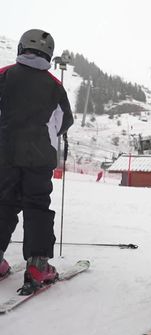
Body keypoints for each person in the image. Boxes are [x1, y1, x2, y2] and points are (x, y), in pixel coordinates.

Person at [0, 29, 73, 292]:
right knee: (37, 207)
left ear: (21, 48)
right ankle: (38, 267)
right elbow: (65, 120)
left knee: (4, 203)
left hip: (5, 154)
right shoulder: (54, 85)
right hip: (40, 157)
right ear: (49, 55)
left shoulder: (4, 75)